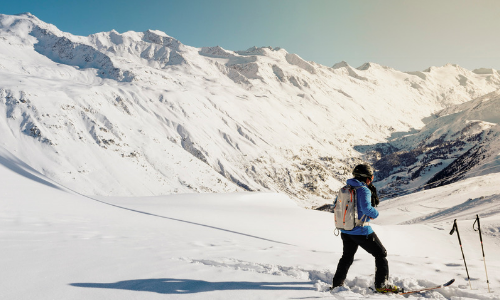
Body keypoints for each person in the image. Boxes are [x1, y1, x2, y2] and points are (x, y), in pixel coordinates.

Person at [331, 164, 401, 293]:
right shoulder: (363, 190)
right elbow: (366, 209)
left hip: (345, 230)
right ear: (367, 178)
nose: (372, 179)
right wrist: (375, 214)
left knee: (346, 257)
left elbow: (335, 205)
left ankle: (337, 284)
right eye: (371, 177)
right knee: (381, 254)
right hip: (361, 231)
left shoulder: (345, 188)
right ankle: (382, 285)